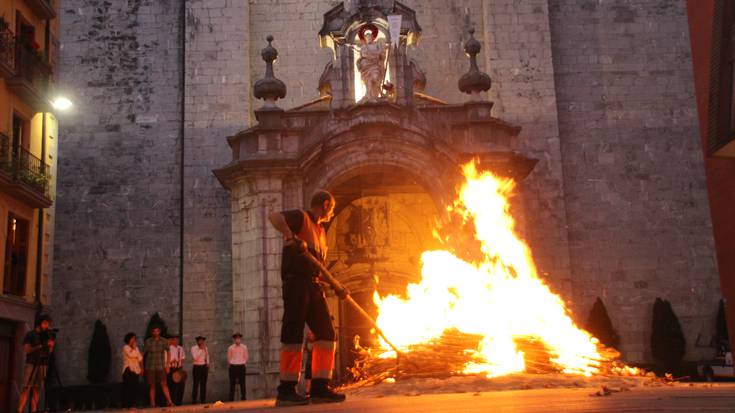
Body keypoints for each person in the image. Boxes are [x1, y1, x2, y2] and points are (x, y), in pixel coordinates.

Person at [268, 190, 346, 406]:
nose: (332, 212)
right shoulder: (301, 217)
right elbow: (274, 217)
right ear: (325, 203)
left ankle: (320, 387)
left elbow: (319, 268)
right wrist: (290, 237)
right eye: (332, 208)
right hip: (296, 283)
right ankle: (286, 390)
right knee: (293, 333)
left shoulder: (321, 233)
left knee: (327, 334)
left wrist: (336, 286)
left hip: (314, 284)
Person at [17, 314, 54, 413]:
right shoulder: (31, 334)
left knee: (37, 389)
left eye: (48, 324)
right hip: (31, 363)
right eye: (45, 323)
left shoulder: (47, 335)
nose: (47, 326)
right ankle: (19, 411)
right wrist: (40, 346)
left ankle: (34, 410)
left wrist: (50, 346)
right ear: (40, 323)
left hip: (42, 364)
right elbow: (27, 350)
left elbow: (49, 352)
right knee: (26, 388)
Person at [143, 325, 173, 407]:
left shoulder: (164, 341)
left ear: (159, 331)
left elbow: (169, 353)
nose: (156, 332)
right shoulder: (148, 341)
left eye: (157, 331)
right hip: (150, 366)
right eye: (154, 331)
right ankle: (152, 403)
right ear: (152, 332)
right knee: (152, 385)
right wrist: (142, 367)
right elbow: (142, 354)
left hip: (161, 366)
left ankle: (169, 401)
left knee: (164, 384)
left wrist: (167, 366)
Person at [121, 332, 143, 408]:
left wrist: (141, 369)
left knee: (134, 388)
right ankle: (125, 405)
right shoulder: (126, 347)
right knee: (127, 388)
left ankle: (132, 405)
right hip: (128, 369)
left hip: (136, 370)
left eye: (134, 338)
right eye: (132, 338)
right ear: (129, 339)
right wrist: (135, 351)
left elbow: (140, 358)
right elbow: (131, 355)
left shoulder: (136, 348)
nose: (134, 340)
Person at [227, 333, 248, 401]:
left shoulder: (244, 347)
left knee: (242, 383)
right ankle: (231, 399)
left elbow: (246, 356)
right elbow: (229, 358)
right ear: (234, 339)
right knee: (232, 383)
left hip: (241, 366)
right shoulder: (230, 348)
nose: (237, 340)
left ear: (240, 339)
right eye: (236, 338)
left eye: (239, 338)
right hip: (233, 366)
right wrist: (232, 363)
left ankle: (243, 397)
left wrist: (243, 363)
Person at [166, 334, 186, 405]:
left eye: (178, 339)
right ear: (172, 340)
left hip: (179, 368)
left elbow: (183, 357)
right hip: (172, 368)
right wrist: (172, 361)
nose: (176, 341)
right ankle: (171, 401)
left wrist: (180, 363)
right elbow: (167, 358)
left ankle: (179, 402)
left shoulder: (180, 348)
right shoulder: (169, 348)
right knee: (172, 385)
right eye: (175, 339)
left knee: (181, 384)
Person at [190, 336, 210, 404]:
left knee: (203, 384)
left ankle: (203, 400)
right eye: (200, 341)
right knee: (195, 384)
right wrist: (201, 350)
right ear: (197, 341)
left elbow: (207, 356)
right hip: (197, 367)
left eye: (202, 341)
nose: (201, 342)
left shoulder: (205, 348)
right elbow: (195, 358)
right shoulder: (193, 348)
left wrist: (207, 363)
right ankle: (194, 400)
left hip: (204, 367)